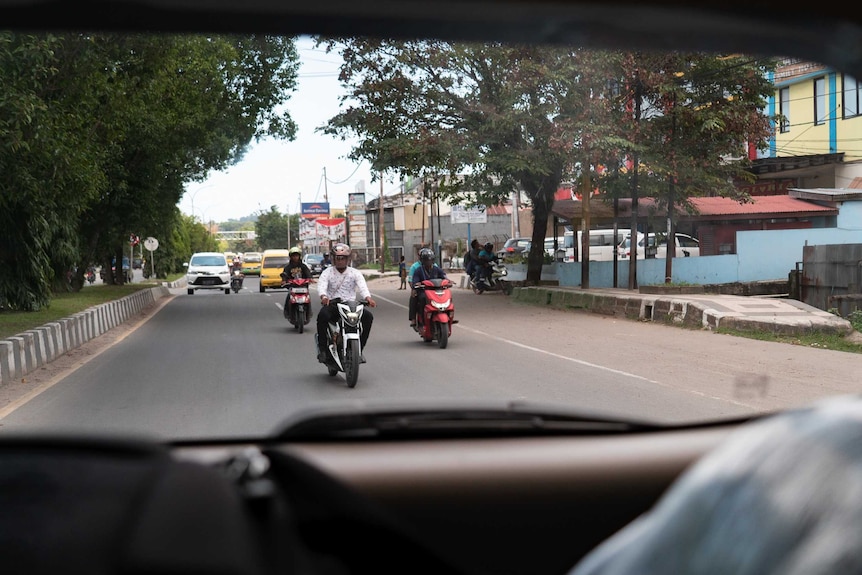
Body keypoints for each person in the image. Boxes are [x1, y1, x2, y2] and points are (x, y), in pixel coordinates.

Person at [316, 243, 376, 363]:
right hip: (333, 305)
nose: (340, 261)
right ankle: (322, 350)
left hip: (351, 306)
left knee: (368, 317)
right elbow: (322, 286)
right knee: (322, 316)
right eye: (337, 258)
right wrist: (323, 296)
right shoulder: (327, 272)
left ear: (348, 259)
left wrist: (368, 298)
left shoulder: (355, 273)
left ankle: (359, 351)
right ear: (333, 259)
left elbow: (362, 287)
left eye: (343, 258)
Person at [409, 248, 448, 328]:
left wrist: (448, 281)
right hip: (423, 291)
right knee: (420, 298)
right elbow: (413, 281)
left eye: (430, 260)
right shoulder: (417, 269)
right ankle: (420, 320)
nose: (429, 262)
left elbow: (444, 276)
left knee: (447, 297)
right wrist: (415, 286)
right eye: (426, 260)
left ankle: (448, 315)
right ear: (422, 260)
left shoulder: (436, 268)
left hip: (436, 290)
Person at [281, 247, 312, 319]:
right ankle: (287, 312)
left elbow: (308, 273)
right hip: (293, 287)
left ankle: (309, 313)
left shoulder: (303, 266)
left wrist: (310, 279)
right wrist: (284, 280)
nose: (295, 257)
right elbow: (285, 275)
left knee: (308, 297)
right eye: (293, 256)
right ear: (290, 257)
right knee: (288, 297)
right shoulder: (288, 267)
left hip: (303, 286)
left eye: (296, 255)